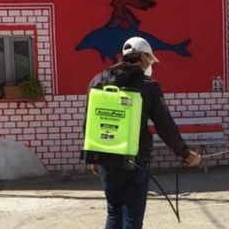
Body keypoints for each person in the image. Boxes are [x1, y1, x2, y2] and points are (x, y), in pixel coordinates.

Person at [85, 36, 201, 229]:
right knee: (132, 216)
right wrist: (186, 154)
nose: (150, 63)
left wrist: (93, 156)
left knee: (114, 212)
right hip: (135, 160)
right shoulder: (148, 85)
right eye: (149, 58)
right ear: (142, 57)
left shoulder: (98, 80)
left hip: (105, 156)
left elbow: (90, 121)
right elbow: (165, 125)